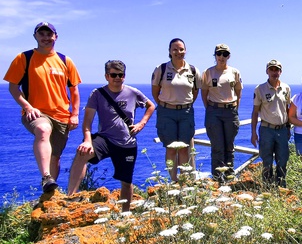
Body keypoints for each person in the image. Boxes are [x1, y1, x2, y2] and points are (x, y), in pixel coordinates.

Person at [4, 22, 82, 193]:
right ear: (35, 37)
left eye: (49, 34)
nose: (46, 38)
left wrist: (74, 114)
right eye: (42, 34)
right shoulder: (24, 58)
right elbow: (13, 87)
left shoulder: (65, 61)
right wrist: (28, 107)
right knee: (43, 129)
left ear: (56, 37)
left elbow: (74, 90)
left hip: (61, 115)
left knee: (55, 157)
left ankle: (50, 192)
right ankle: (46, 176)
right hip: (36, 112)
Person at [67, 60, 155, 211]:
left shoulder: (133, 92)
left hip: (127, 143)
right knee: (82, 153)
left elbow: (151, 105)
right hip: (105, 139)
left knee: (126, 182)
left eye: (121, 75)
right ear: (106, 76)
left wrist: (142, 124)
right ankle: (70, 198)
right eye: (113, 75)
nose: (117, 78)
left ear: (124, 76)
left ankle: (125, 215)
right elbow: (87, 122)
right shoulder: (97, 94)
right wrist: (88, 141)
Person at [151, 38, 202, 182]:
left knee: (185, 147)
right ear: (169, 51)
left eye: (181, 49)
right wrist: (165, 104)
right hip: (167, 113)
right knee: (171, 148)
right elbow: (155, 91)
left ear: (185, 50)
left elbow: (195, 91)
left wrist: (185, 103)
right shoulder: (161, 69)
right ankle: (173, 181)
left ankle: (184, 181)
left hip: (186, 112)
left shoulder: (193, 70)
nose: (178, 52)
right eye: (175, 49)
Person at [201, 44, 243, 182]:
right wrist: (211, 108)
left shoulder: (234, 72)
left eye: (225, 54)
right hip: (214, 111)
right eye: (219, 54)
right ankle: (218, 179)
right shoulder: (208, 72)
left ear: (229, 56)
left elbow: (238, 92)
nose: (222, 57)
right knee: (217, 147)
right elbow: (204, 93)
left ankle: (230, 178)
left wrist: (235, 108)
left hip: (230, 111)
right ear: (215, 55)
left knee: (229, 147)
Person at [251, 60, 291, 186]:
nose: (274, 72)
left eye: (277, 70)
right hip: (266, 129)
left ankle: (281, 188)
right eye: (272, 69)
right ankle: (267, 188)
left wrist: (288, 128)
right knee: (267, 161)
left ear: (281, 71)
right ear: (267, 71)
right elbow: (255, 112)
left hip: (282, 129)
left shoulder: (286, 88)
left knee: (283, 160)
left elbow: (288, 109)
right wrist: (253, 133)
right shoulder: (260, 89)